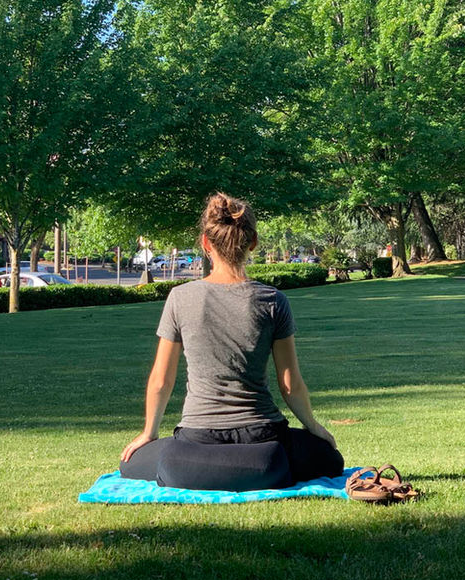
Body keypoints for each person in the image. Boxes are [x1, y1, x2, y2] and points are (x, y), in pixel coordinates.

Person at [120, 192, 344, 488]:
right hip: (264, 440)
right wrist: (313, 427)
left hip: (197, 439)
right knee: (330, 458)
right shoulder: (273, 300)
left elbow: (161, 380)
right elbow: (289, 384)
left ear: (205, 243)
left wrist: (149, 432)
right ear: (253, 242)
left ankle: (186, 466)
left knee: (129, 463)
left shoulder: (180, 298)